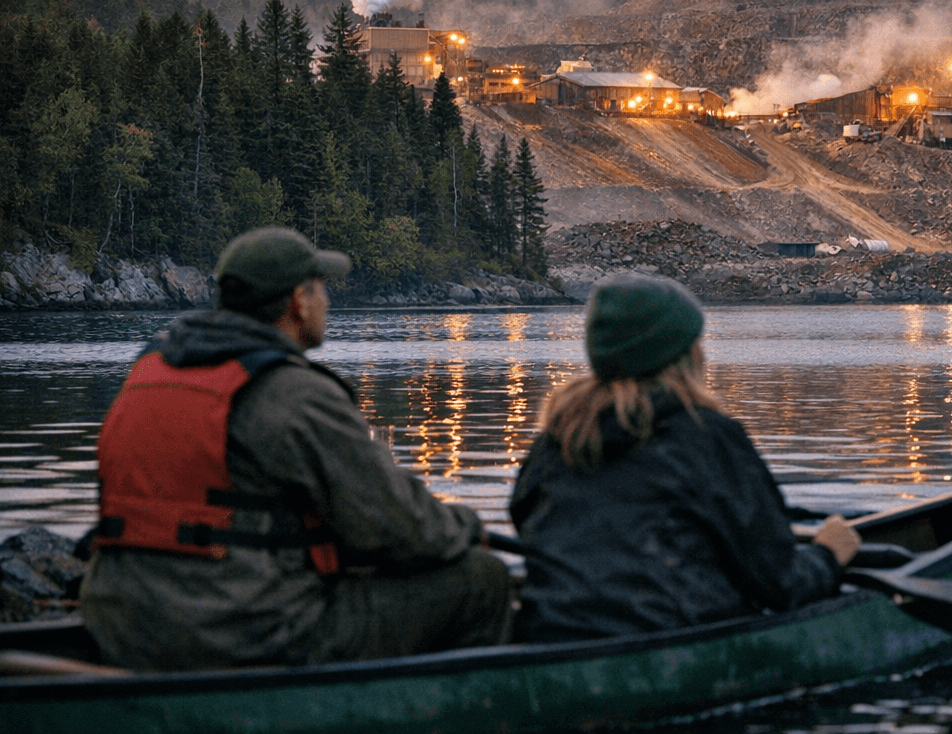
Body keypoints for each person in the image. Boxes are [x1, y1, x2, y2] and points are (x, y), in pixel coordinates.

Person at [80, 227, 510, 670]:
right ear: (298, 303)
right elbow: (400, 528)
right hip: (238, 634)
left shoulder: (149, 370)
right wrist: (463, 526)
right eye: (321, 288)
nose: (328, 301)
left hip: (120, 620)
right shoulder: (296, 393)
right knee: (483, 580)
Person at [509, 273, 861, 643]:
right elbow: (782, 584)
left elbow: (524, 520)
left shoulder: (556, 440)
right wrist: (828, 555)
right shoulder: (703, 435)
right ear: (681, 355)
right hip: (673, 637)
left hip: (552, 633)